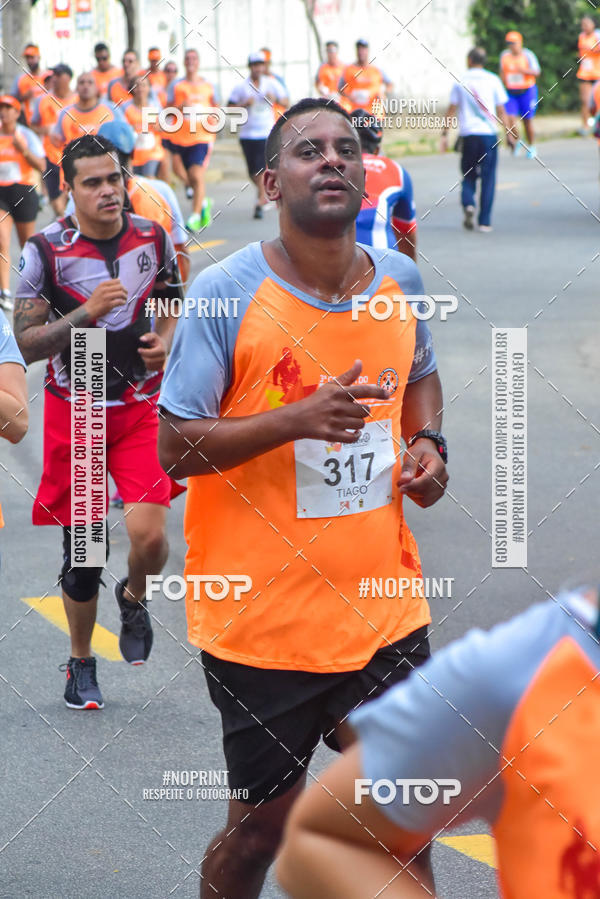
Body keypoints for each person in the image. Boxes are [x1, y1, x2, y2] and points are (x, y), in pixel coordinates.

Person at [158, 96, 448, 899]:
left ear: (366, 173)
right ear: (270, 181)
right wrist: (296, 419)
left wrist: (429, 446)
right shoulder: (224, 292)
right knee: (260, 833)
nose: (332, 160)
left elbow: (420, 379)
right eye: (308, 150)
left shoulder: (401, 278)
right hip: (263, 624)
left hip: (385, 611)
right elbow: (173, 446)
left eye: (346, 149)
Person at [277, 584, 600, 898]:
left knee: (409, 842)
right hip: (269, 636)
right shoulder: (523, 670)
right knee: (256, 833)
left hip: (383, 622)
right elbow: (327, 840)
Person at [13, 134, 183, 709]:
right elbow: (27, 344)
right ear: (69, 188)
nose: (108, 190)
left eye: (114, 178)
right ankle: (81, 662)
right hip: (77, 405)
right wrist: (86, 313)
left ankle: (134, 598)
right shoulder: (45, 251)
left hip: (138, 406)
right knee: (84, 556)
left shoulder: (151, 235)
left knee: (150, 536)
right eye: (92, 182)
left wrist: (161, 342)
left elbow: (169, 296)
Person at [441, 47, 513, 232]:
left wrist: (444, 134)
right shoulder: (493, 79)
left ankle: (468, 203)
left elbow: (451, 109)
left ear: (469, 60)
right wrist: (508, 133)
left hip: (468, 135)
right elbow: (502, 111)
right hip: (489, 135)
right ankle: (485, 222)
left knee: (468, 174)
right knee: (488, 178)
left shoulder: (461, 81)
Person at [229, 51, 289, 219]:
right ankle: (265, 193)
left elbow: (286, 101)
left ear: (264, 66)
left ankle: (260, 201)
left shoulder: (271, 84)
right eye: (254, 65)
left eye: (260, 65)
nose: (257, 68)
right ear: (250, 67)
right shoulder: (242, 87)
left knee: (263, 169)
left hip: (266, 132)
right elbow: (230, 109)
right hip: (247, 134)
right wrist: (243, 104)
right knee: (252, 172)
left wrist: (275, 98)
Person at [0, 95, 45, 312]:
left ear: (17, 113)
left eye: (9, 108)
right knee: (1, 241)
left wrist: (23, 149)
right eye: (2, 108)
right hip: (1, 193)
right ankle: (5, 292)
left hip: (24, 192)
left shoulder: (26, 135)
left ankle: (32, 290)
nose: (4, 112)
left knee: (27, 246)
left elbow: (42, 165)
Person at [353, 108, 417, 259]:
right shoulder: (397, 170)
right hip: (381, 266)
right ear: (377, 149)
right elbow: (406, 232)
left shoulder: (326, 165)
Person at [166, 48, 218, 231]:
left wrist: (213, 123)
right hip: (180, 138)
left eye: (194, 58)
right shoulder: (176, 85)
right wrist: (181, 107)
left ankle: (195, 217)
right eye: (187, 58)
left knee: (196, 175)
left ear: (199, 62)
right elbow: (167, 109)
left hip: (202, 137)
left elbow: (216, 108)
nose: (190, 61)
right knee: (181, 173)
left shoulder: (209, 86)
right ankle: (203, 202)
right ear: (183, 62)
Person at [31, 64, 76, 216]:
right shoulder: (43, 100)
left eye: (58, 74)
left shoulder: (77, 100)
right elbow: (33, 124)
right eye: (53, 74)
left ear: (68, 78)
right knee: (56, 203)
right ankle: (66, 224)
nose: (54, 78)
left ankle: (71, 228)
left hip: (73, 156)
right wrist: (45, 130)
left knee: (73, 198)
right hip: (51, 157)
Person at [50, 72, 124, 155]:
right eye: (82, 82)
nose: (86, 86)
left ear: (96, 88)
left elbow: (124, 136)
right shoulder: (65, 113)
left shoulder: (112, 109)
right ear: (76, 88)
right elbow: (58, 142)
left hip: (104, 164)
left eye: (90, 82)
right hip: (75, 164)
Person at [499, 31, 541, 158]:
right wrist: (503, 84)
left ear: (520, 43)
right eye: (509, 44)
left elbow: (537, 72)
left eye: (513, 43)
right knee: (509, 119)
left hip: (526, 91)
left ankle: (532, 145)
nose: (511, 46)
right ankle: (518, 141)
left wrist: (524, 71)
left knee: (527, 120)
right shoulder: (504, 56)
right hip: (511, 92)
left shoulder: (528, 55)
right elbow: (502, 71)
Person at [122, 77, 164, 177]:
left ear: (149, 88)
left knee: (149, 178)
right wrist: (131, 128)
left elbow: (165, 127)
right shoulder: (125, 107)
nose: (140, 88)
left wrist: (156, 126)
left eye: (144, 85)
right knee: (135, 183)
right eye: (137, 86)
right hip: (133, 154)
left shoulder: (155, 106)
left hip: (152, 152)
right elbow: (121, 130)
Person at [339, 39, 393, 115]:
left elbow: (390, 85)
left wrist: (382, 92)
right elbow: (340, 88)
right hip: (353, 110)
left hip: (373, 111)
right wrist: (348, 96)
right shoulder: (348, 69)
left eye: (363, 49)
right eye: (359, 49)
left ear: (367, 51)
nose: (361, 52)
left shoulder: (376, 70)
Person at [10, 44, 45, 125]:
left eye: (32, 57)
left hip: (46, 125)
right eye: (27, 58)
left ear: (39, 57)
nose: (29, 61)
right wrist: (24, 97)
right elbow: (11, 100)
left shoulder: (48, 77)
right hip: (27, 123)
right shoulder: (20, 79)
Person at [577, 16, 600, 133]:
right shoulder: (581, 36)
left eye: (586, 24)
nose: (584, 27)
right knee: (585, 101)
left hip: (597, 74)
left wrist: (592, 49)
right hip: (584, 73)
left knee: (598, 101)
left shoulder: (597, 35)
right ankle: (585, 126)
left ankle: (597, 123)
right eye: (582, 24)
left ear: (593, 24)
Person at [260, 47, 290, 120]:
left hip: (276, 122)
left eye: (266, 63)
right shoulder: (253, 82)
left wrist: (274, 99)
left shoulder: (277, 79)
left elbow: (287, 103)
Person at [315, 40, 346, 108]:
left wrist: (340, 94)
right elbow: (318, 83)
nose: (330, 53)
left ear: (337, 51)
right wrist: (322, 89)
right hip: (327, 102)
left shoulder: (344, 68)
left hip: (342, 102)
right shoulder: (323, 67)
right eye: (328, 50)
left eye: (332, 50)